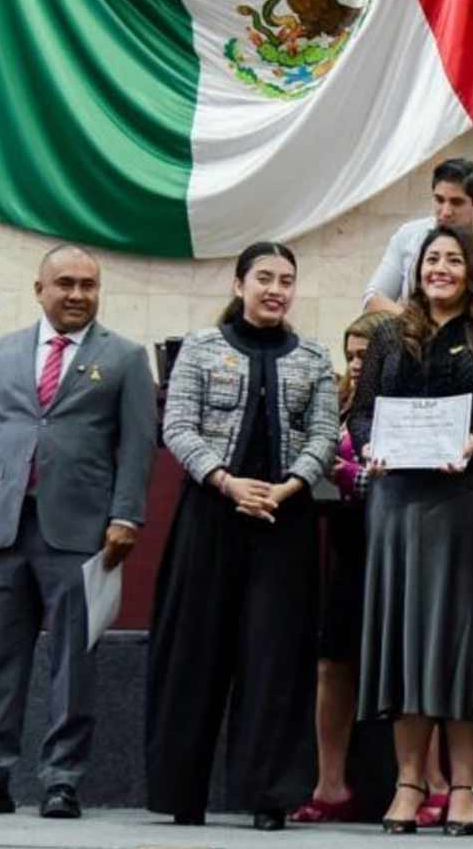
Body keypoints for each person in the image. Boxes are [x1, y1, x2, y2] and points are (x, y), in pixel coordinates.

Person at [0, 245, 157, 821]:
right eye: (65, 284)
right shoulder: (3, 354)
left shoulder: (126, 358)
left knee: (72, 663)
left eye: (88, 284)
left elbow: (137, 449)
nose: (77, 294)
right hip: (5, 528)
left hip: (84, 532)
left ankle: (62, 780)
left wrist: (126, 515)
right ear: (39, 290)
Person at [347, 224, 473, 836]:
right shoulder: (389, 335)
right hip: (397, 503)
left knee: (459, 643)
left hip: (468, 501)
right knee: (405, 642)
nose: (441, 268)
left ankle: (464, 786)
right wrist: (368, 443)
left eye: (454, 259)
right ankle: (408, 782)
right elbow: (360, 409)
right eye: (432, 258)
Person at [147, 242, 341, 830]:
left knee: (276, 656)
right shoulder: (201, 348)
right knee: (196, 652)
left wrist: (286, 488)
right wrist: (228, 483)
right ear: (238, 285)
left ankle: (269, 796)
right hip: (210, 514)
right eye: (264, 278)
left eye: (286, 279)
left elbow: (325, 434)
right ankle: (185, 792)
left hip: (285, 520)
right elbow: (176, 426)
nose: (275, 289)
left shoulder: (312, 355)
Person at [294, 311, 456, 827]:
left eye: (369, 354)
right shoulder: (341, 408)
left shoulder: (418, 401)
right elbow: (317, 463)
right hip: (349, 545)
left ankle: (433, 782)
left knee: (413, 663)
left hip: (411, 545)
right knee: (332, 663)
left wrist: (350, 474)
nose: (360, 364)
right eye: (353, 355)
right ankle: (331, 785)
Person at [363, 157, 473, 334]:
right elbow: (373, 299)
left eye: (456, 202)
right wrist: (422, 328)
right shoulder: (409, 236)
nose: (446, 212)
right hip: (414, 345)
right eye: (439, 200)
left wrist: (462, 336)